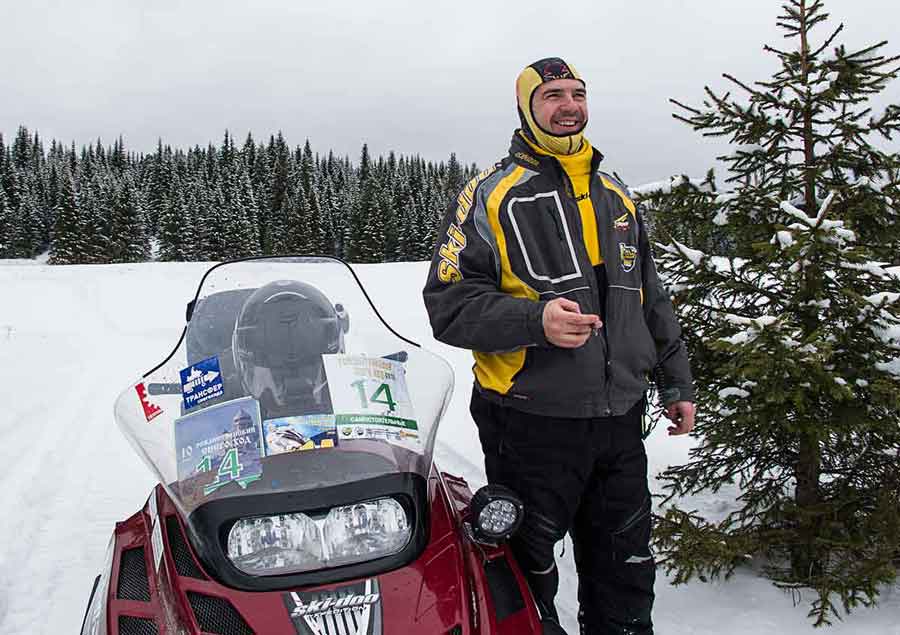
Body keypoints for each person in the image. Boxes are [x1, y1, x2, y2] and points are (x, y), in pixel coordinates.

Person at [422, 57, 696, 635]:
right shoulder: (490, 195)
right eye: (552, 95)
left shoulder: (616, 195)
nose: (569, 105)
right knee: (526, 575)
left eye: (577, 93)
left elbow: (651, 297)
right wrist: (533, 320)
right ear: (527, 106)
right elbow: (447, 305)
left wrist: (675, 382)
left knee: (626, 570)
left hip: (619, 420)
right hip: (529, 423)